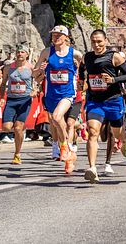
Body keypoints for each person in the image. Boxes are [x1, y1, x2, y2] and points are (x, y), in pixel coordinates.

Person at [81, 30, 126, 183]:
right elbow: (83, 71)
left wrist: (113, 79)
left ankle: (124, 140)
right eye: (93, 42)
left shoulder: (114, 56)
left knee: (117, 133)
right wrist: (82, 85)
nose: (96, 45)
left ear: (106, 40)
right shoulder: (87, 57)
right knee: (93, 131)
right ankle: (92, 168)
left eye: (99, 42)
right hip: (95, 101)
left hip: (113, 100)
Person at [33, 25, 83, 174]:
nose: (55, 37)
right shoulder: (47, 52)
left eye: (58, 35)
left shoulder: (76, 54)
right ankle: (67, 151)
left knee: (57, 117)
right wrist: (41, 69)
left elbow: (82, 72)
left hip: (67, 94)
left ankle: (64, 146)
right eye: (54, 35)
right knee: (55, 122)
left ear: (66, 37)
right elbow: (35, 76)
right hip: (51, 94)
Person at [0, 44, 35, 165]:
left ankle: (17, 154)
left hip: (25, 99)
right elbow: (3, 83)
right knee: (6, 127)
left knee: (18, 127)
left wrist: (36, 90)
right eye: (18, 52)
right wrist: (2, 97)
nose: (20, 54)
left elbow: (39, 80)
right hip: (11, 99)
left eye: (22, 52)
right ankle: (19, 133)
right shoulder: (8, 68)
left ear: (27, 54)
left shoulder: (31, 67)